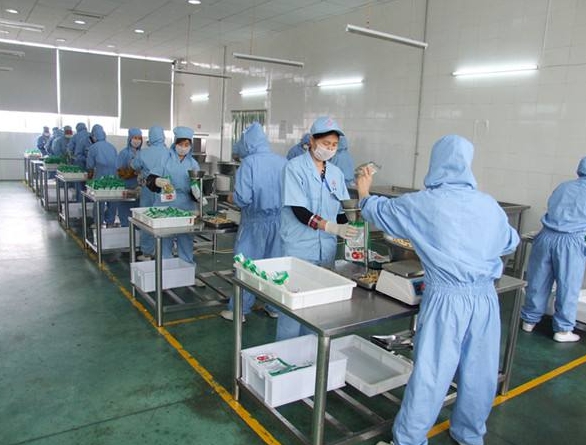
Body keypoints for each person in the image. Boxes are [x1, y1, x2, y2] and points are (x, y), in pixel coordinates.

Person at [355, 135, 519, 445]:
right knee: (480, 373)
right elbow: (510, 242)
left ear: (435, 163)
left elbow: (381, 212)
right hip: (485, 298)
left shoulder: (424, 203)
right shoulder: (488, 204)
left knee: (432, 374)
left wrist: (364, 191)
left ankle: (409, 440)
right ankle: (469, 434)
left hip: (447, 300)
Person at [276, 116, 358, 340]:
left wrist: (352, 230)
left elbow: (339, 210)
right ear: (312, 141)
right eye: (325, 143)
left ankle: (310, 354)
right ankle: (287, 354)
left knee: (318, 312)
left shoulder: (336, 174)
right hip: (299, 248)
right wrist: (332, 228)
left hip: (326, 250)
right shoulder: (294, 168)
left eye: (334, 145)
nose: (329, 149)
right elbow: (299, 211)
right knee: (293, 310)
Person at [219, 122, 287, 322]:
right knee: (275, 265)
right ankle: (274, 307)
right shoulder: (282, 161)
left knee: (246, 266)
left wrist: (231, 197)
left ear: (247, 144)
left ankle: (239, 310)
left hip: (254, 224)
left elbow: (243, 198)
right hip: (279, 222)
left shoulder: (249, 164)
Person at [520, 157, 586, 343]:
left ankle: (529, 321)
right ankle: (563, 330)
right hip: (571, 242)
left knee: (538, 280)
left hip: (545, 236)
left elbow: (552, 208)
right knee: (568, 285)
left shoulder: (564, 186)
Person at [146, 126, 201, 264]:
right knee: (165, 240)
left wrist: (199, 196)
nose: (183, 148)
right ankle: (165, 271)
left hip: (186, 207)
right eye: (180, 144)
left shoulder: (193, 164)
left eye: (186, 145)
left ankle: (186, 270)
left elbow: (197, 187)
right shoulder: (165, 158)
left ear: (190, 146)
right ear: (175, 143)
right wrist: (157, 181)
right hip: (166, 206)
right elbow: (150, 180)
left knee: (186, 240)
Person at [131, 126, 168, 261]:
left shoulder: (144, 153)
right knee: (164, 219)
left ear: (150, 137)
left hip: (148, 188)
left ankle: (147, 252)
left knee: (146, 219)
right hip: (165, 189)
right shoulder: (169, 153)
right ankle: (164, 250)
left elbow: (134, 166)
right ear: (163, 136)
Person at [86, 124, 118, 227]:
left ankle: (98, 222)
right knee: (112, 200)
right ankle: (110, 222)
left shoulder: (93, 148)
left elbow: (90, 165)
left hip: (100, 177)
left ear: (94, 136)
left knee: (99, 201)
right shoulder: (112, 147)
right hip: (113, 177)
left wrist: (89, 177)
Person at [116, 128, 142, 227]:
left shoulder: (142, 153)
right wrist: (131, 173)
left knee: (138, 215)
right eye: (135, 138)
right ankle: (126, 231)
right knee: (126, 214)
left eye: (139, 138)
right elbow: (120, 172)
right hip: (126, 187)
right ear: (130, 139)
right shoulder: (124, 153)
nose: (137, 141)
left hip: (139, 189)